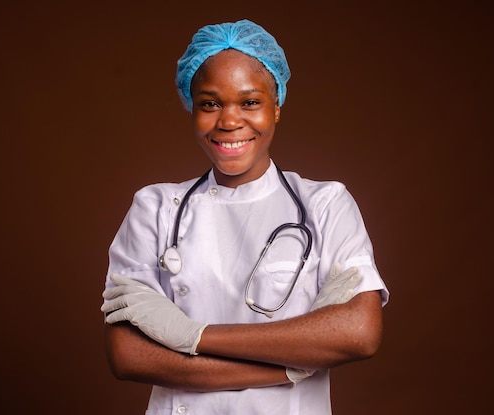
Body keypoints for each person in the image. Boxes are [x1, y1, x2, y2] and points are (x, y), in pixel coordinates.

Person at [101, 19, 389, 414]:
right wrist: (290, 366)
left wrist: (190, 335)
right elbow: (129, 355)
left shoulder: (325, 205)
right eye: (210, 103)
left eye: (250, 102)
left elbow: (359, 333)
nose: (229, 121)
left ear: (277, 108)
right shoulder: (154, 208)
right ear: (192, 108)